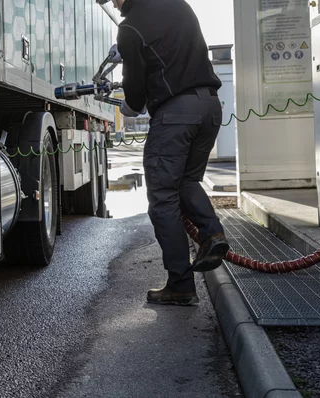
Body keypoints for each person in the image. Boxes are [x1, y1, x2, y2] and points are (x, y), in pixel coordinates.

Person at [108, 0, 230, 306]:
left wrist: (130, 104)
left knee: (163, 199)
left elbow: (134, 89)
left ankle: (180, 284)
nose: (111, 2)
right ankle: (213, 234)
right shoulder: (179, 4)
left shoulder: (130, 26)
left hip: (176, 114)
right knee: (187, 182)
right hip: (210, 107)